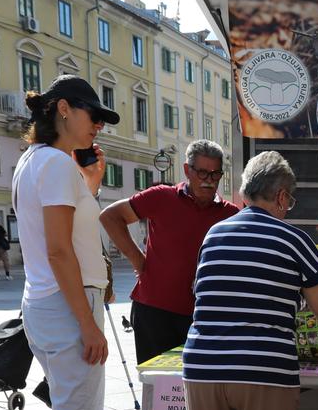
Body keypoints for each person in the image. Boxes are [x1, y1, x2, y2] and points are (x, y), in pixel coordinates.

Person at [181, 151, 318, 410]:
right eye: (290, 201)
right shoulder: (295, 240)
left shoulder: (214, 234)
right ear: (282, 197)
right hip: (263, 370)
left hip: (202, 367)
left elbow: (199, 292)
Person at [12, 74, 120, 410]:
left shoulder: (33, 160)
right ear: (64, 110)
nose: (99, 125)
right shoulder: (57, 164)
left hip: (46, 303)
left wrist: (89, 185)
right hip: (68, 306)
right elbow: (58, 250)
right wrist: (87, 324)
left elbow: (64, 236)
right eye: (93, 114)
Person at [102, 140, 238, 363]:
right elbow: (109, 216)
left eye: (215, 174)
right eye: (203, 173)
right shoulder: (161, 197)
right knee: (157, 389)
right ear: (187, 170)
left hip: (204, 316)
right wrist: (138, 260)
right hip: (154, 312)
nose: (209, 181)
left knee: (197, 389)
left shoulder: (231, 214)